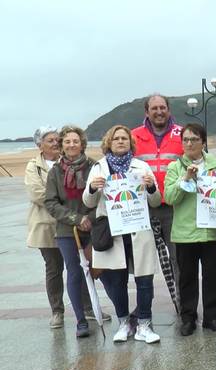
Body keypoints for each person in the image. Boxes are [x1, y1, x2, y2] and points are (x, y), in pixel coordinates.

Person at [83, 125, 162, 343]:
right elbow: (87, 201)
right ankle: (124, 322)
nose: (120, 142)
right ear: (108, 142)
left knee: (144, 279)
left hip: (138, 230)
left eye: (124, 139)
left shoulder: (142, 166)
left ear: (130, 142)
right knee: (116, 281)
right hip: (112, 232)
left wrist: (152, 187)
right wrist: (91, 188)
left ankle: (144, 324)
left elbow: (155, 201)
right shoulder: (99, 167)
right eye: (116, 138)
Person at [26, 127, 99, 329]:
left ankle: (89, 307)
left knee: (87, 268)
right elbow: (42, 196)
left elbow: (98, 196)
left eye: (55, 140)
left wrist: (85, 218)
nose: (56, 143)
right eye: (50, 140)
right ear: (40, 144)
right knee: (56, 269)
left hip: (83, 224)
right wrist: (72, 217)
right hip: (51, 226)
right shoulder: (40, 167)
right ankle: (58, 311)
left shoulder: (91, 165)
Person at [164, 123, 216, 336]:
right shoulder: (175, 167)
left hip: (211, 231)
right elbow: (169, 197)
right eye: (186, 140)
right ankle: (188, 318)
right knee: (187, 278)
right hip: (185, 232)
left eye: (194, 139)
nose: (189, 143)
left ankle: (211, 317)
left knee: (212, 276)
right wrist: (186, 179)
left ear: (203, 142)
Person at [131, 94, 183, 293]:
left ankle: (182, 301)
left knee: (178, 258)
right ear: (147, 112)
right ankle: (145, 305)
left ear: (168, 110)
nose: (159, 111)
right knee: (143, 259)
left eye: (163, 107)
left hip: (173, 207)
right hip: (143, 208)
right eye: (154, 108)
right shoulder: (133, 136)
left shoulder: (181, 134)